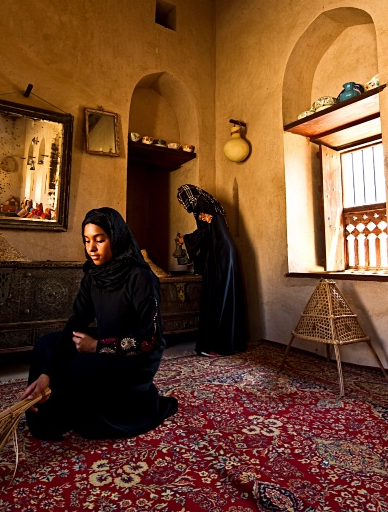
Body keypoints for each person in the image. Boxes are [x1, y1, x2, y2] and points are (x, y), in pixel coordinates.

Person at [21, 207, 178, 440]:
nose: (91, 249)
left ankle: (86, 415)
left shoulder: (141, 277)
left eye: (99, 240)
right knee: (46, 345)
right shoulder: (94, 275)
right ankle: (45, 417)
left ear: (116, 238)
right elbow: (77, 321)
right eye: (86, 241)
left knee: (79, 367)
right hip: (104, 344)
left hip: (134, 360)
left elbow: (150, 340)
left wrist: (97, 346)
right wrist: (47, 374)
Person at [176, 184, 247, 356]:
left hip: (219, 253)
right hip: (226, 252)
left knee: (216, 297)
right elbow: (210, 231)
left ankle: (214, 346)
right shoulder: (210, 202)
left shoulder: (201, 202)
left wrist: (185, 239)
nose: (184, 204)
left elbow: (205, 231)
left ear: (188, 196)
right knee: (226, 296)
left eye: (183, 200)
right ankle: (229, 343)